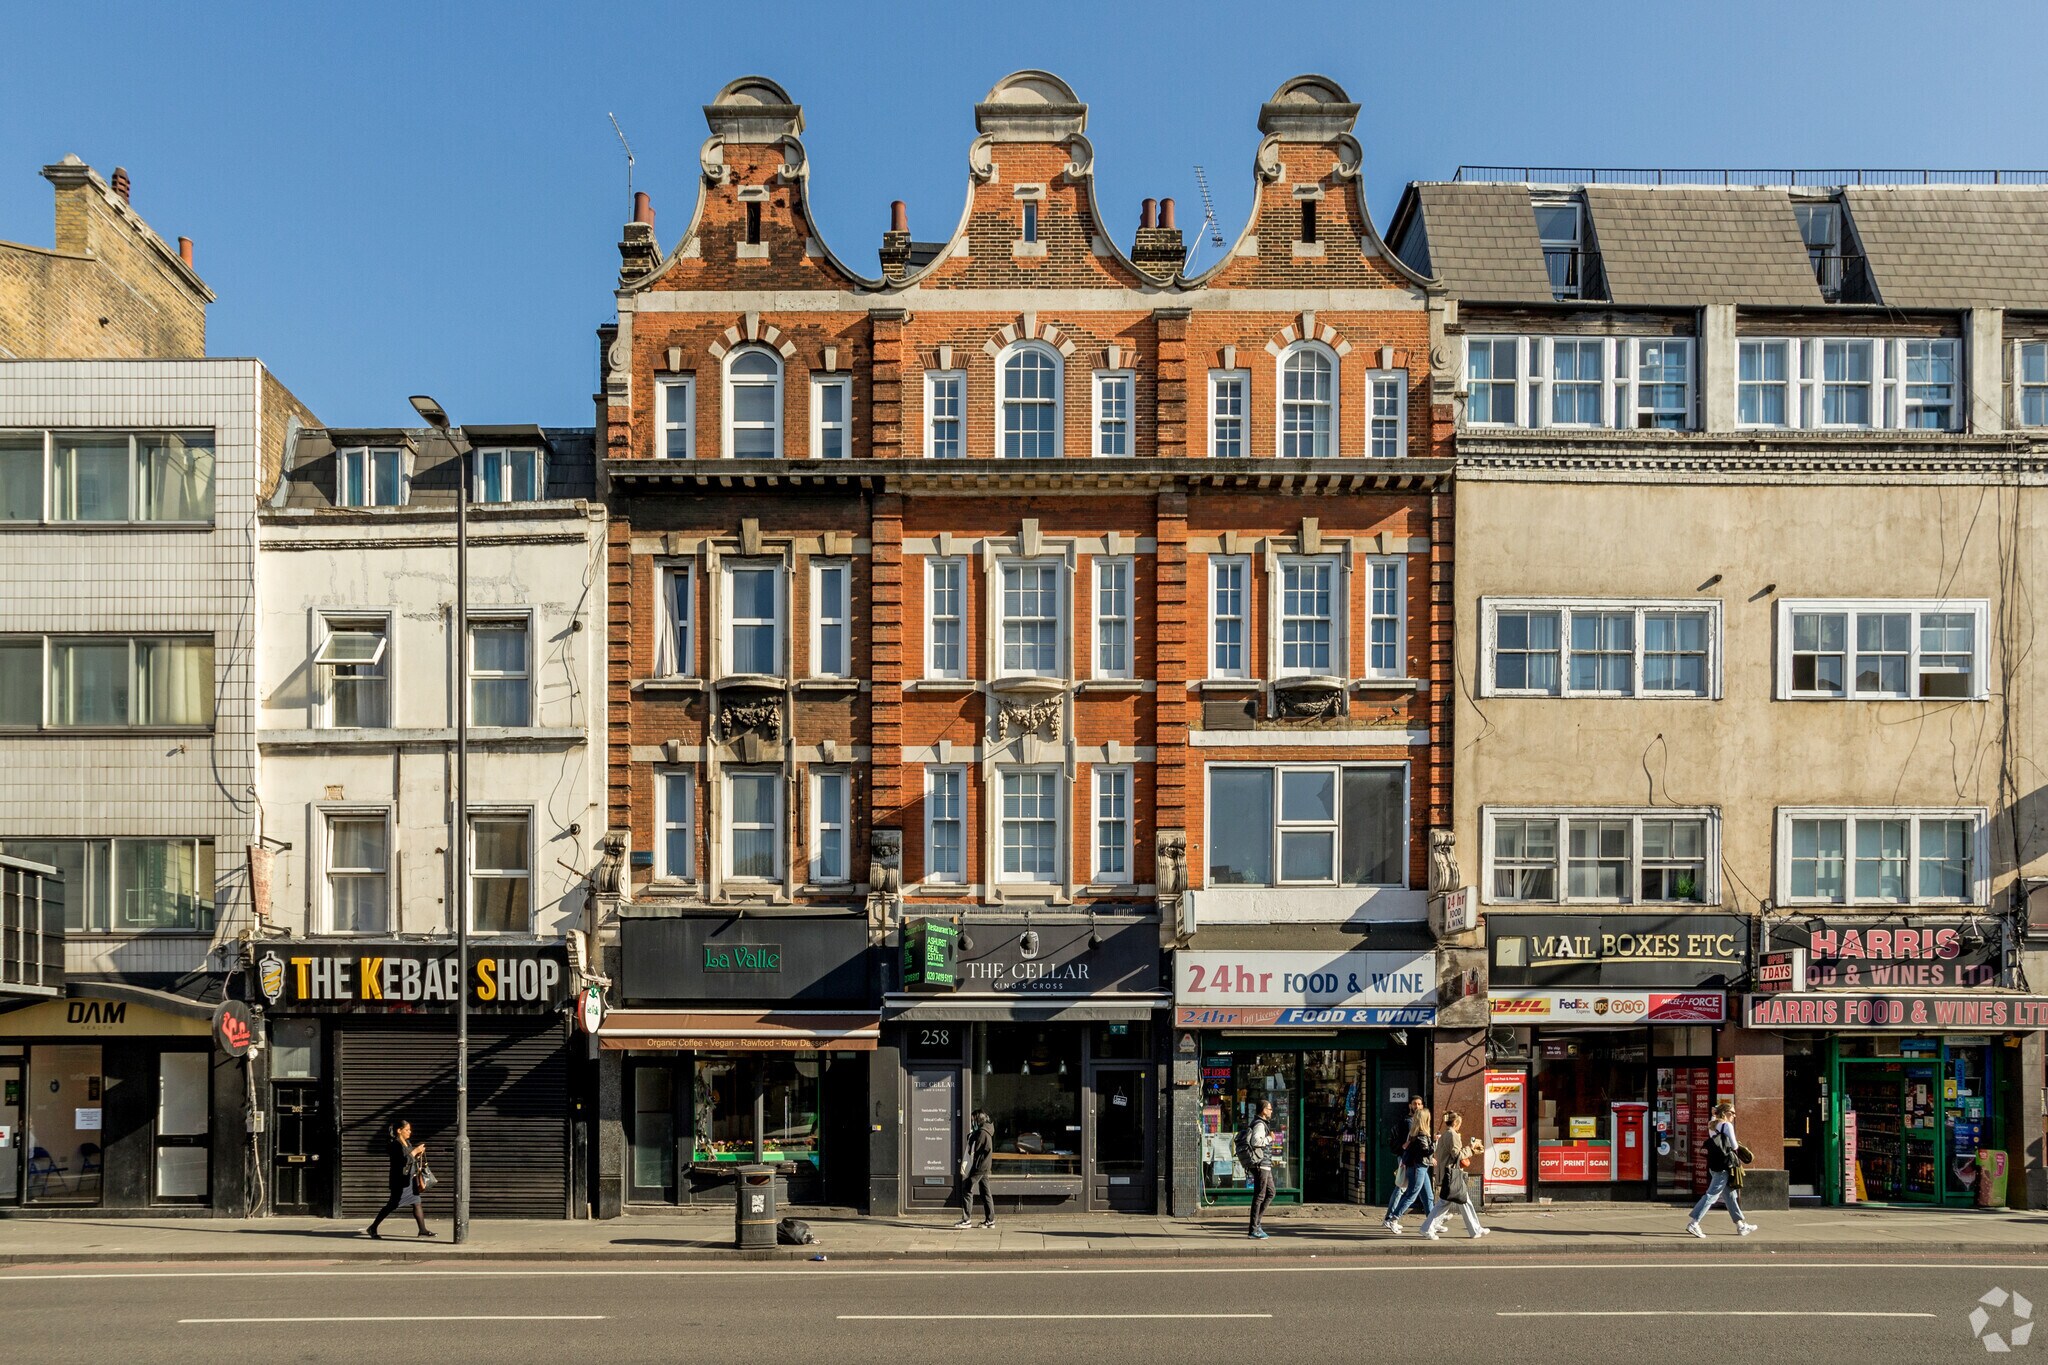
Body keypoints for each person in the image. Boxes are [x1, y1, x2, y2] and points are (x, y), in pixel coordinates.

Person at [1687, 1100, 1758, 1238]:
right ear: (1725, 1113)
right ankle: (1694, 1222)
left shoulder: (1712, 1124)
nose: (1734, 1116)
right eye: (1732, 1113)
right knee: (1711, 1195)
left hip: (1715, 1163)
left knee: (1730, 1196)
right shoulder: (1727, 1125)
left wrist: (1715, 1112)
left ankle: (1741, 1226)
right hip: (1725, 1166)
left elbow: (1715, 1120)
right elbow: (1734, 1146)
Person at [1421, 1110, 1490, 1240]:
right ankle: (1426, 1228)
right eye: (1460, 1123)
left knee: (1463, 1201)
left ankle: (1475, 1229)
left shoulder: (1445, 1134)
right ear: (1456, 1122)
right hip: (1452, 1174)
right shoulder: (1453, 1135)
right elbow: (1457, 1155)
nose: (1460, 1126)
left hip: (1448, 1173)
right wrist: (1471, 1149)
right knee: (1447, 1203)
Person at [365, 1118, 432, 1239]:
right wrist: (415, 1151)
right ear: (399, 1130)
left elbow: (410, 1158)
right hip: (399, 1181)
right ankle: (373, 1227)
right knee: (392, 1205)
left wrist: (418, 1153)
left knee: (417, 1202)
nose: (410, 1132)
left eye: (409, 1129)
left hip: (409, 1179)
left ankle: (422, 1230)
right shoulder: (394, 1144)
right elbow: (402, 1160)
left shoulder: (407, 1143)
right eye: (407, 1130)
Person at [1382, 1095, 1437, 1233]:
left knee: (1427, 1195)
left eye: (1419, 1104)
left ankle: (1431, 1222)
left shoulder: (1417, 1125)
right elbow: (1417, 1147)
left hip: (1415, 1162)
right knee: (1404, 1189)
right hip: (1412, 1162)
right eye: (1415, 1104)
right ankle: (1391, 1218)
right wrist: (1433, 1147)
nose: (1417, 1106)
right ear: (1410, 1105)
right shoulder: (1410, 1123)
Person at [953, 1107, 996, 1230]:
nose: (972, 1122)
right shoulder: (985, 1131)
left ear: (978, 1119)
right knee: (985, 1192)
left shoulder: (982, 1133)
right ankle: (990, 1220)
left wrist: (972, 1136)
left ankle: (966, 1220)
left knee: (967, 1188)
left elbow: (975, 1149)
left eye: (973, 1120)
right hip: (984, 1166)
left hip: (979, 1167)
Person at [1240, 1099, 1277, 1239]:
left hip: (1265, 1164)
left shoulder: (1261, 1123)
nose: (1271, 1111)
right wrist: (1269, 1139)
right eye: (1269, 1109)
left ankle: (1257, 1224)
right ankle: (1254, 1229)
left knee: (1271, 1192)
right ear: (1263, 1110)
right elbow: (1256, 1142)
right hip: (1261, 1164)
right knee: (1260, 1195)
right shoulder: (1260, 1124)